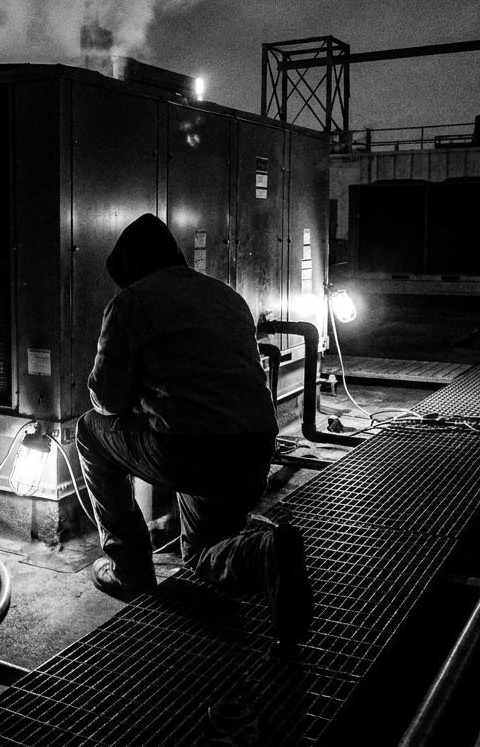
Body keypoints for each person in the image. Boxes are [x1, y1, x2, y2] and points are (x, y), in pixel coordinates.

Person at [76, 213, 313, 646]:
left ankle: (129, 572)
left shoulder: (130, 303)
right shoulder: (226, 296)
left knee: (90, 431)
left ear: (129, 270)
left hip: (189, 454)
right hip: (254, 449)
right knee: (203, 554)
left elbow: (107, 401)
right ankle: (265, 554)